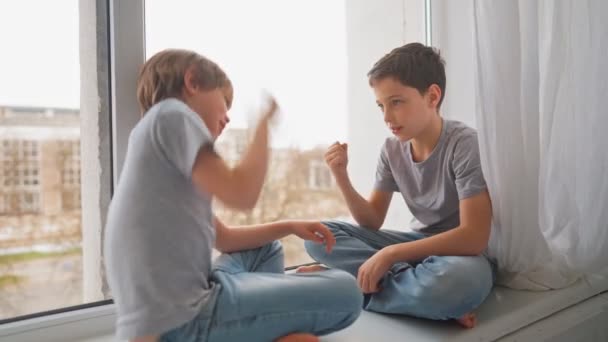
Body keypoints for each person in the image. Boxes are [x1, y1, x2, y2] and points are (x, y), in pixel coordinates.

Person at [104, 49, 362, 342]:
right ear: (193, 81)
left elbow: (224, 239)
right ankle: (260, 323)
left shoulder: (162, 162)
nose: (227, 119)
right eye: (224, 104)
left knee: (268, 249)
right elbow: (242, 194)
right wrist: (263, 124)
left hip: (176, 309)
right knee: (347, 290)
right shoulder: (172, 114)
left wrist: (289, 226)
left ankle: (259, 324)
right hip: (184, 320)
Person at [297, 43, 495, 328]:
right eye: (381, 105)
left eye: (396, 102)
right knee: (316, 236)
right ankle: (425, 300)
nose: (387, 117)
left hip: (461, 256)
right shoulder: (392, 149)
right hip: (416, 250)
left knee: (455, 283)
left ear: (432, 96)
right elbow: (371, 220)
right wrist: (341, 175)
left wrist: (390, 255)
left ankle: (344, 286)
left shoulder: (465, 145)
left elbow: (474, 237)